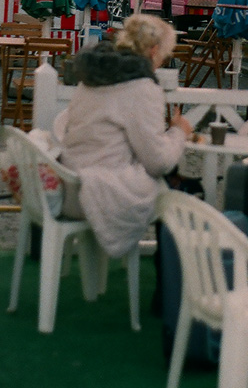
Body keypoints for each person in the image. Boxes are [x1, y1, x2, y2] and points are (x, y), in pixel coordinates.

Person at [59, 14, 193, 258]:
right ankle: (176, 268)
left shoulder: (93, 75)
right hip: (99, 191)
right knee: (179, 189)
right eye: (164, 56)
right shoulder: (142, 87)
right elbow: (158, 162)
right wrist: (179, 132)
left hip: (69, 182)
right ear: (154, 50)